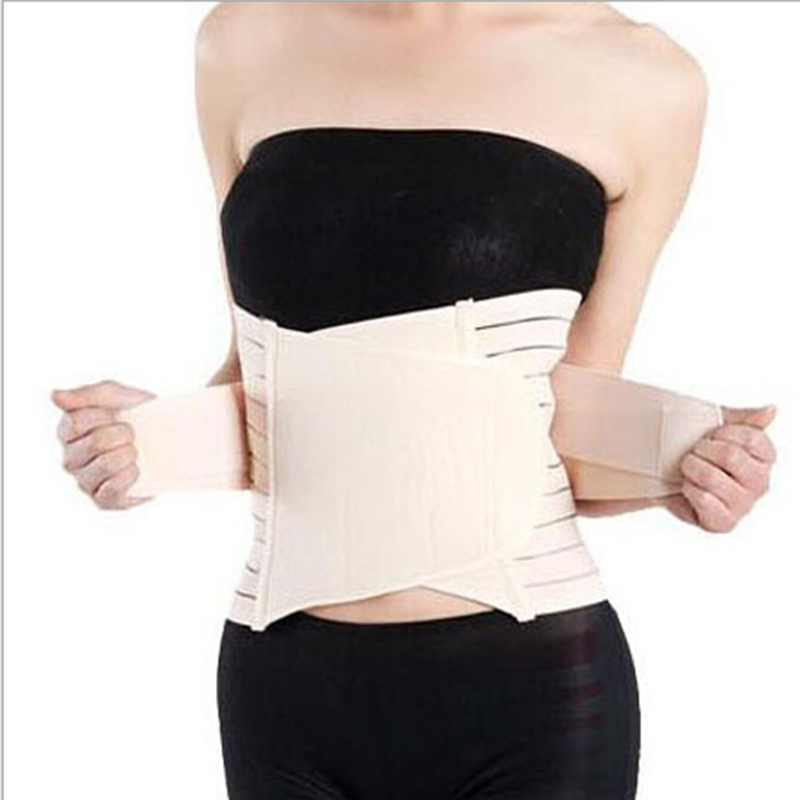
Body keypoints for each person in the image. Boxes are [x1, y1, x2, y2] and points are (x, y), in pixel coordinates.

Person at [51, 3, 778, 798]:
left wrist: (684, 466)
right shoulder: (244, 39)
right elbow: (263, 382)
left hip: (532, 690)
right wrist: (144, 445)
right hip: (284, 689)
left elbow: (564, 422)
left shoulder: (645, 79)